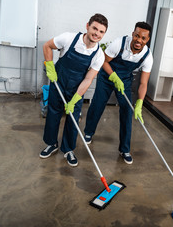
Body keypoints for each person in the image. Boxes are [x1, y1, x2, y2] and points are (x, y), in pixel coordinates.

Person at [39, 13, 108, 167]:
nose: (97, 33)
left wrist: (76, 98)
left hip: (77, 89)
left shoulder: (99, 55)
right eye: (94, 28)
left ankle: (69, 149)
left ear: (104, 34)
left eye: (101, 31)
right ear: (87, 26)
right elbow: (47, 46)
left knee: (73, 118)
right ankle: (51, 144)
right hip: (59, 82)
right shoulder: (69, 38)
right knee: (53, 113)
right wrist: (49, 65)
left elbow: (88, 79)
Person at [84, 21, 153, 165]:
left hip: (125, 81)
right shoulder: (119, 43)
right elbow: (104, 61)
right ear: (133, 34)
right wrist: (114, 77)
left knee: (127, 110)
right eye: (137, 36)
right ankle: (89, 132)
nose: (139, 40)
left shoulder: (147, 56)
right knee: (98, 104)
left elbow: (143, 83)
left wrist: (140, 102)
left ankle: (124, 149)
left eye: (143, 38)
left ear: (147, 40)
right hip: (107, 76)